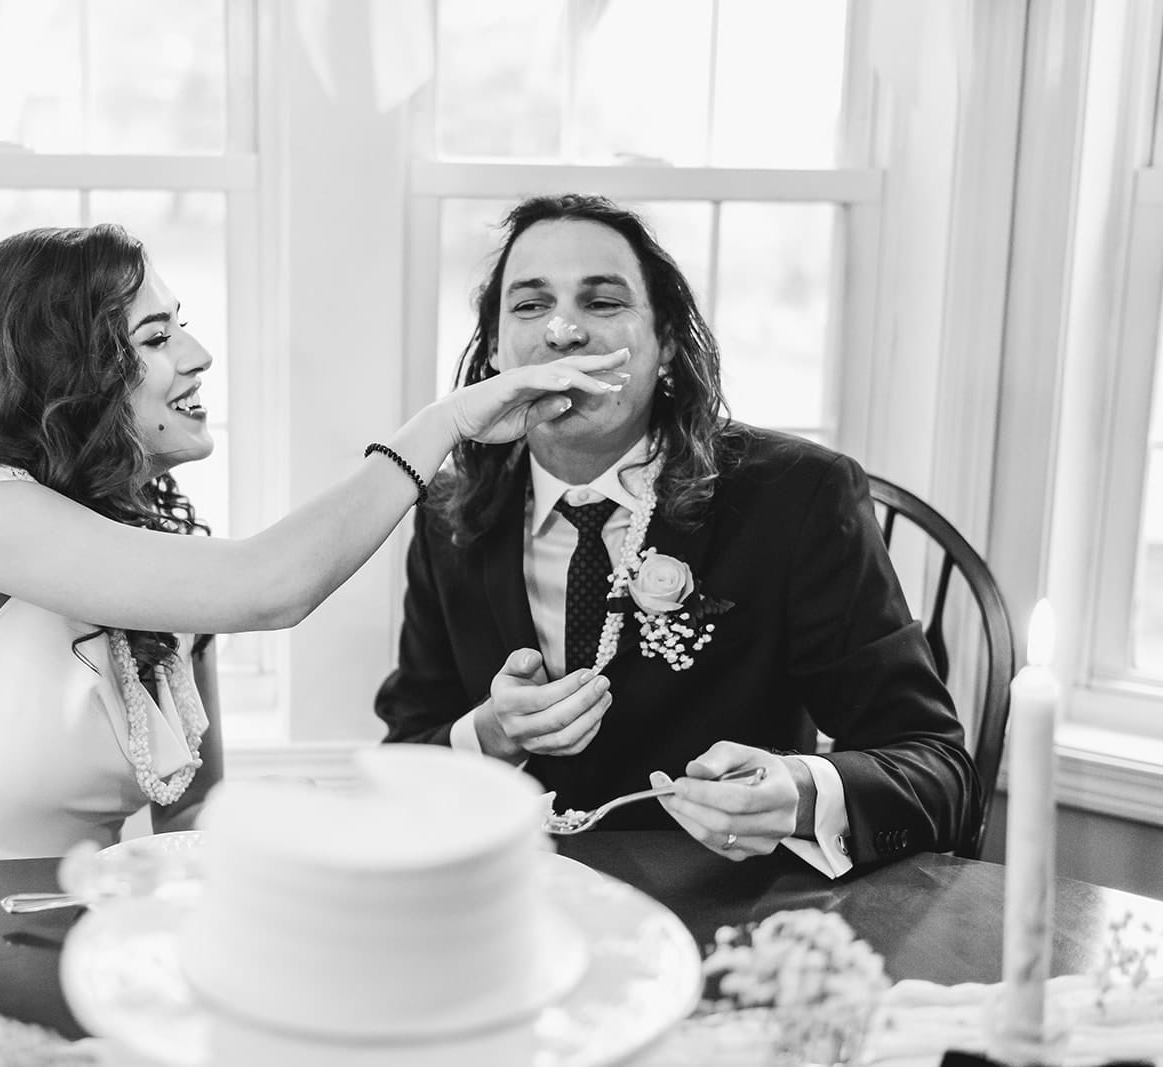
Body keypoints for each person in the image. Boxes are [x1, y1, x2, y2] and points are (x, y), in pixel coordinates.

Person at [0, 224, 628, 872]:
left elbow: (193, 814)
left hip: (66, 927)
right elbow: (272, 586)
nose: (196, 354)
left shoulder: (155, 553)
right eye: (157, 335)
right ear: (68, 372)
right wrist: (443, 424)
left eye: (181, 324)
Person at [375, 194, 979, 876]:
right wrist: (489, 735)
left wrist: (803, 794)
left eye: (603, 303)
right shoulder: (447, 514)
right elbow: (405, 756)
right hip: (510, 909)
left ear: (665, 343)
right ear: (492, 349)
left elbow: (937, 767)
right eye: (530, 305)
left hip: (720, 913)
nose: (565, 331)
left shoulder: (797, 499)